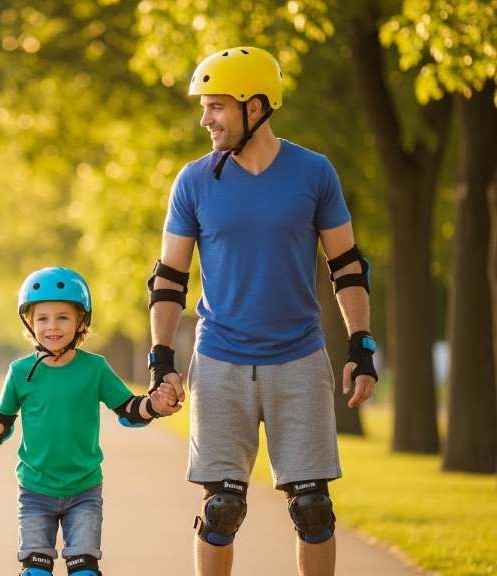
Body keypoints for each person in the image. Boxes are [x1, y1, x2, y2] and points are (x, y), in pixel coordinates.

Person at [146, 47, 378, 576]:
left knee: (312, 507)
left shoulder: (314, 172)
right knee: (221, 508)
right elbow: (169, 279)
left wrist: (360, 346)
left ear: (256, 107)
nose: (206, 119)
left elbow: (347, 266)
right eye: (204, 107)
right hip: (221, 360)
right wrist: (161, 360)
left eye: (217, 106)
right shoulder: (194, 180)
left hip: (298, 360)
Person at [0, 267, 179, 576]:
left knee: (84, 571)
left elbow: (129, 408)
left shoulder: (95, 368)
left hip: (84, 491)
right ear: (29, 322)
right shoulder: (20, 372)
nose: (52, 327)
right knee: (36, 571)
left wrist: (154, 405)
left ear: (81, 321)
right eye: (43, 318)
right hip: (35, 491)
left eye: (63, 317)